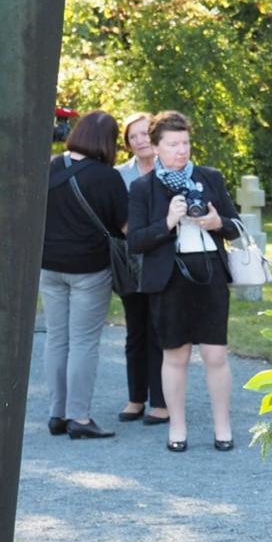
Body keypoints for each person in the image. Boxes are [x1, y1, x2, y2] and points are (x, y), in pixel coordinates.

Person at [127, 111, 241, 453]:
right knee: (174, 356)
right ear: (156, 147)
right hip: (169, 279)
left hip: (209, 275)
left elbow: (235, 225)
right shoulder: (142, 187)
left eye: (185, 143)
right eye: (173, 144)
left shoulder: (210, 177)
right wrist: (168, 221)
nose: (181, 150)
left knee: (215, 354)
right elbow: (135, 242)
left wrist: (218, 221)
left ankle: (223, 427)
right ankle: (177, 427)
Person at [42, 111, 128, 440]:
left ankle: (56, 412)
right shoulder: (108, 178)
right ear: (108, 141)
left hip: (49, 265)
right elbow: (126, 228)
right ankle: (78, 416)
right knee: (83, 343)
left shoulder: (48, 166)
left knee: (56, 339)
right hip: (89, 269)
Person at [114, 111, 166, 426]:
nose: (140, 140)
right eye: (133, 137)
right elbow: (119, 219)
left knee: (161, 331)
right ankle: (136, 398)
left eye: (144, 133)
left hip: (164, 264)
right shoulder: (119, 175)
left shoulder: (172, 169)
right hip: (132, 265)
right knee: (136, 332)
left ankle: (161, 401)